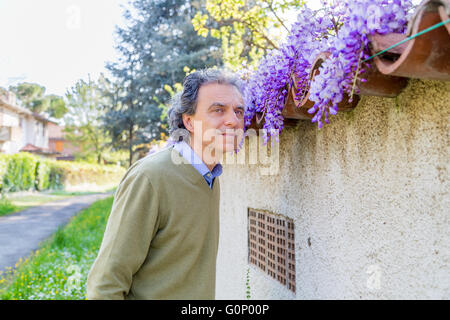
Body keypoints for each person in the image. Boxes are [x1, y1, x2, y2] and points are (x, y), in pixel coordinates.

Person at [86, 68, 246, 299]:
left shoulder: (210, 177)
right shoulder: (150, 177)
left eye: (238, 111)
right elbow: (105, 284)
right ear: (189, 122)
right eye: (218, 110)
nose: (233, 120)